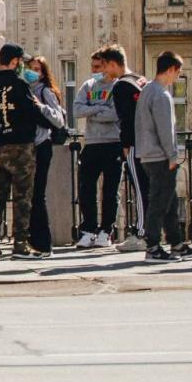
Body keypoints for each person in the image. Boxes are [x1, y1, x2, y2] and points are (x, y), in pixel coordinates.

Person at [0, 44, 57, 260]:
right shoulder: (19, 83)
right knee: (23, 197)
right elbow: (32, 111)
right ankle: (20, 244)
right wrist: (52, 123)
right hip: (20, 145)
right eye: (21, 62)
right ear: (15, 61)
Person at [136, 51, 192, 262]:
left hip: (147, 154)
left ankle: (176, 243)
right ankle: (153, 247)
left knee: (169, 201)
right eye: (178, 72)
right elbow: (166, 130)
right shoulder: (161, 95)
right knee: (159, 203)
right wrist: (173, 155)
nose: (177, 77)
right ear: (171, 69)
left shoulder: (147, 91)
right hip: (160, 156)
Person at [73, 48, 124, 248]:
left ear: (107, 66)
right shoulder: (89, 85)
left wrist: (92, 111)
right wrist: (100, 108)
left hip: (113, 142)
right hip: (92, 142)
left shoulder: (117, 86)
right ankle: (88, 229)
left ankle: (106, 230)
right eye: (92, 67)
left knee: (110, 190)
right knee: (86, 188)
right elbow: (77, 109)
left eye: (98, 67)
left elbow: (114, 114)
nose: (94, 70)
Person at [108, 46, 150, 253]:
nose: (104, 72)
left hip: (135, 143)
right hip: (150, 141)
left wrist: (125, 145)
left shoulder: (121, 86)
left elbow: (126, 118)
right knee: (149, 187)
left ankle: (142, 233)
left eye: (105, 66)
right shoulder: (140, 79)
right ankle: (151, 230)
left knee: (140, 189)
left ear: (113, 63)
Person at [25, 56, 67, 254]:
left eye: (37, 70)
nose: (33, 73)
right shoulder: (24, 89)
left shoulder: (45, 91)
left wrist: (39, 106)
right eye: (30, 69)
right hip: (27, 146)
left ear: (43, 73)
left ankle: (43, 242)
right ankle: (30, 239)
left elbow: (58, 119)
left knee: (37, 194)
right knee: (27, 194)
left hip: (42, 145)